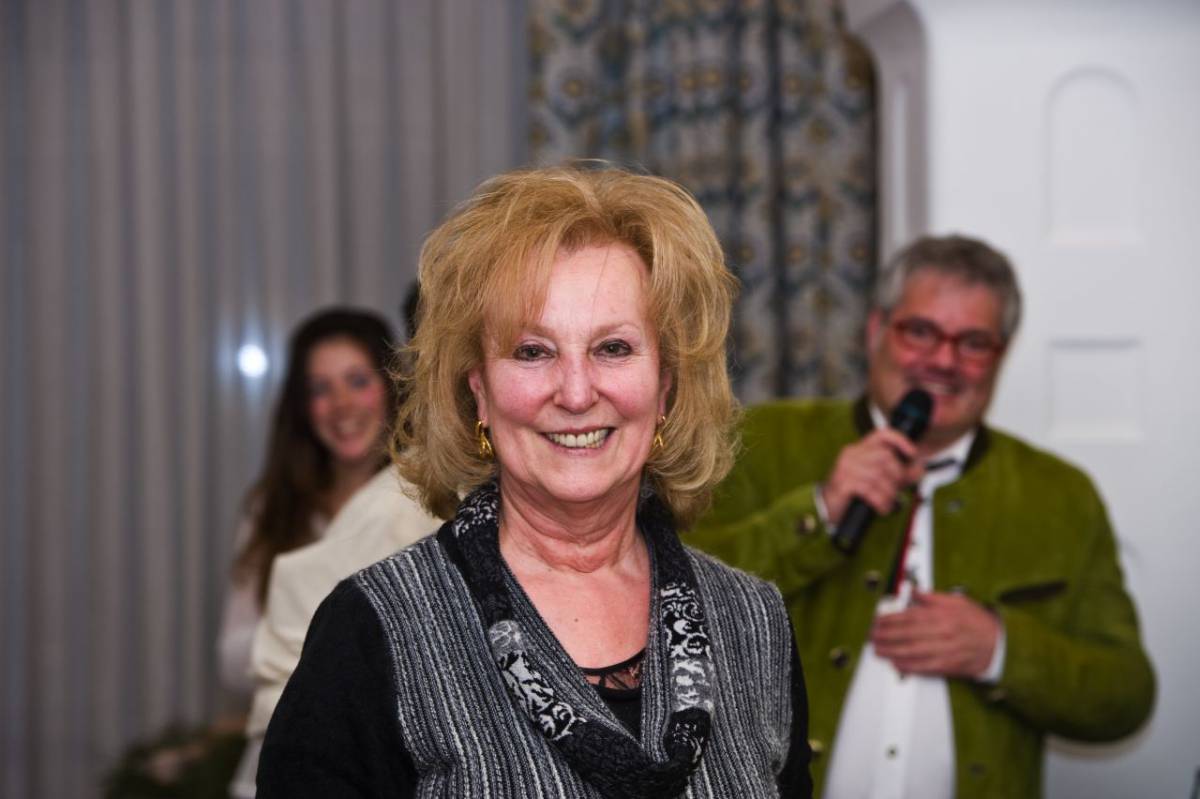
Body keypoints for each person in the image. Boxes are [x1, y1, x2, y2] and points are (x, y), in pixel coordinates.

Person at [256, 165, 814, 798]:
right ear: (479, 392)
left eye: (613, 348)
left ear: (665, 387)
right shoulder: (376, 628)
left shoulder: (755, 626)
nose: (575, 393)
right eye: (532, 351)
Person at [688, 234, 1155, 798]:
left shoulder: (1060, 495)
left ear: (1001, 356)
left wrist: (999, 650)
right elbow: (668, 606)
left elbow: (1125, 696)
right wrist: (817, 513)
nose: (943, 361)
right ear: (875, 331)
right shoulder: (760, 444)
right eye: (921, 332)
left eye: (974, 342)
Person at [229, 294, 441, 798]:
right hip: (270, 763)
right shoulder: (274, 508)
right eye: (321, 389)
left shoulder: (428, 498)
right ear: (302, 408)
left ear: (392, 385)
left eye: (357, 381)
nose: (342, 404)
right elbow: (231, 655)